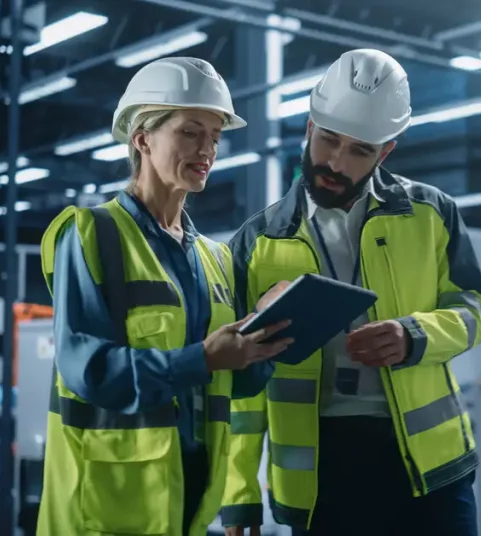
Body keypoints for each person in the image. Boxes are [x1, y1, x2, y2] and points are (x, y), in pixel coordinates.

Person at [221, 49, 481, 536]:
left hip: (430, 467)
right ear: (309, 128)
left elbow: (472, 310)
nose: (336, 162)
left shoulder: (432, 214)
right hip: (322, 474)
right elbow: (241, 384)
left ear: (385, 152)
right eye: (328, 140)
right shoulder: (257, 243)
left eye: (360, 151)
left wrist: (415, 336)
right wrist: (238, 495)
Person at [36, 56, 294, 536]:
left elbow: (235, 384)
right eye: (191, 132)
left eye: (215, 136)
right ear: (143, 139)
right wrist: (204, 358)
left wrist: (266, 335)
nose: (207, 149)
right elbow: (88, 370)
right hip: (101, 507)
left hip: (188, 500)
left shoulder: (216, 258)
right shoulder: (92, 234)